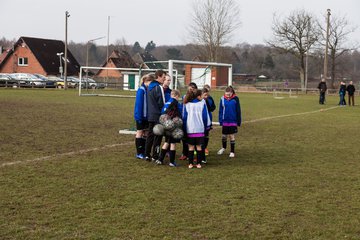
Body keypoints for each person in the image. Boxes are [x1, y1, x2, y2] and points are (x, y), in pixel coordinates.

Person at [183, 89, 210, 169]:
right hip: (200, 128)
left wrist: (184, 128)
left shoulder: (187, 104)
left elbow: (184, 117)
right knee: (199, 147)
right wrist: (206, 127)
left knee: (190, 147)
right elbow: (205, 117)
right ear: (198, 96)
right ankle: (198, 163)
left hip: (190, 129)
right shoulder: (202, 104)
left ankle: (190, 164)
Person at [156, 89, 183, 167]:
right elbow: (179, 114)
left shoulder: (167, 103)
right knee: (173, 143)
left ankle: (160, 159)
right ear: (177, 96)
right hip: (173, 126)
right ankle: (171, 162)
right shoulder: (175, 103)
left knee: (167, 142)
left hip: (165, 125)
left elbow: (162, 114)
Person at [144, 70, 166, 161]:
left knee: (150, 135)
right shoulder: (158, 87)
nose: (164, 79)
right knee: (158, 135)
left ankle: (147, 154)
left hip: (150, 115)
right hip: (158, 115)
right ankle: (155, 155)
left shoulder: (149, 87)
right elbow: (161, 102)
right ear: (159, 77)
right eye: (164, 77)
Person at [133, 74, 154, 159]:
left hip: (146, 117)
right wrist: (139, 117)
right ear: (146, 81)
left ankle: (145, 151)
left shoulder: (147, 90)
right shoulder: (141, 90)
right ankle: (139, 152)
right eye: (150, 83)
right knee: (139, 132)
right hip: (141, 116)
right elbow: (139, 104)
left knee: (146, 133)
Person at [217, 86, 242, 158]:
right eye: (226, 94)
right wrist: (220, 120)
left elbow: (238, 110)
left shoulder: (235, 99)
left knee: (231, 136)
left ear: (232, 93)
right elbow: (220, 110)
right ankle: (223, 148)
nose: (227, 95)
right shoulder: (222, 99)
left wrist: (238, 121)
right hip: (225, 121)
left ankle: (232, 152)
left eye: (229, 94)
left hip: (232, 121)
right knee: (224, 136)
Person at [179, 82, 198, 161]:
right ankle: (185, 153)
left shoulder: (197, 99)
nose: (191, 89)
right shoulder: (184, 97)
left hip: (194, 121)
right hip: (184, 120)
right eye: (190, 88)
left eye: (193, 88)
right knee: (184, 138)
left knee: (195, 138)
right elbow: (182, 108)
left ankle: (196, 155)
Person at [202, 85, 216, 159]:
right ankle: (199, 148)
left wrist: (210, 110)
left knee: (206, 134)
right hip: (201, 120)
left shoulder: (210, 98)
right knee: (201, 134)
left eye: (208, 92)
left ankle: (205, 148)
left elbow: (213, 107)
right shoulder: (200, 100)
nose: (206, 96)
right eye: (205, 94)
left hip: (208, 118)